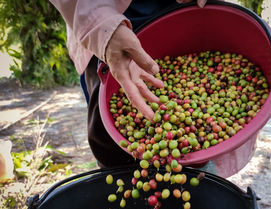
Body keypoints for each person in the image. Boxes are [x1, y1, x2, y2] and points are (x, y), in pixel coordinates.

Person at [50, 0, 208, 168]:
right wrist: (100, 25)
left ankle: (199, 178)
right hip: (103, 16)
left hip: (180, 13)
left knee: (196, 162)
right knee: (111, 147)